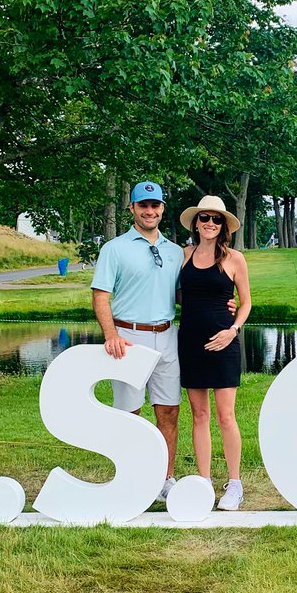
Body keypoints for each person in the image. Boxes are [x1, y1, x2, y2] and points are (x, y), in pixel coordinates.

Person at [91, 181, 184, 502]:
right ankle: (130, 478)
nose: (150, 211)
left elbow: (183, 295)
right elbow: (101, 296)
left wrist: (223, 303)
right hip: (128, 337)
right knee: (130, 413)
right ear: (132, 208)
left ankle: (165, 479)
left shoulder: (174, 251)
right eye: (143, 205)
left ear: (162, 209)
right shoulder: (114, 249)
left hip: (167, 336)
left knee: (169, 411)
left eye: (155, 205)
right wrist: (111, 334)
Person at [178, 195, 252, 511]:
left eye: (216, 219)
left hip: (224, 342)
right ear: (196, 222)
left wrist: (232, 329)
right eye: (205, 218)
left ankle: (234, 485)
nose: (210, 223)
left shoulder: (235, 258)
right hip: (191, 341)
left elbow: (246, 302)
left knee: (225, 415)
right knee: (199, 415)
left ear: (224, 226)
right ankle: (204, 483)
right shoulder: (183, 255)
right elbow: (181, 295)